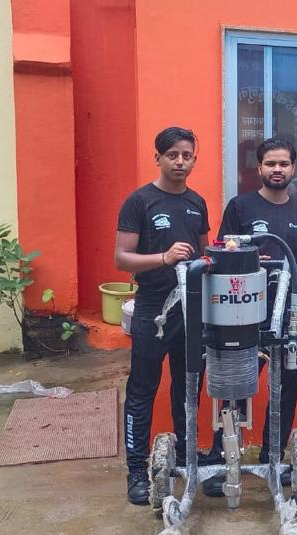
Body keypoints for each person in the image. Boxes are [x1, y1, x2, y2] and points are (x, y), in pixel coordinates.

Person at [207, 136, 297, 496]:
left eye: (283, 163)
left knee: (286, 387)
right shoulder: (240, 207)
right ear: (259, 168)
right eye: (270, 163)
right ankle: (224, 459)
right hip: (243, 312)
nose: (277, 169)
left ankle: (273, 457)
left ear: (293, 168)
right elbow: (223, 253)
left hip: (289, 313)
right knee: (236, 384)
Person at [114, 127, 211, 505]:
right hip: (152, 310)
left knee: (188, 387)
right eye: (172, 155)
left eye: (186, 155)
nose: (180, 162)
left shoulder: (197, 203)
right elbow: (122, 258)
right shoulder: (139, 202)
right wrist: (164, 258)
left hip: (191, 310)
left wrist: (218, 259)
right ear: (157, 158)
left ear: (194, 160)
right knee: (143, 388)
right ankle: (137, 471)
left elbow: (204, 254)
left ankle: (186, 458)